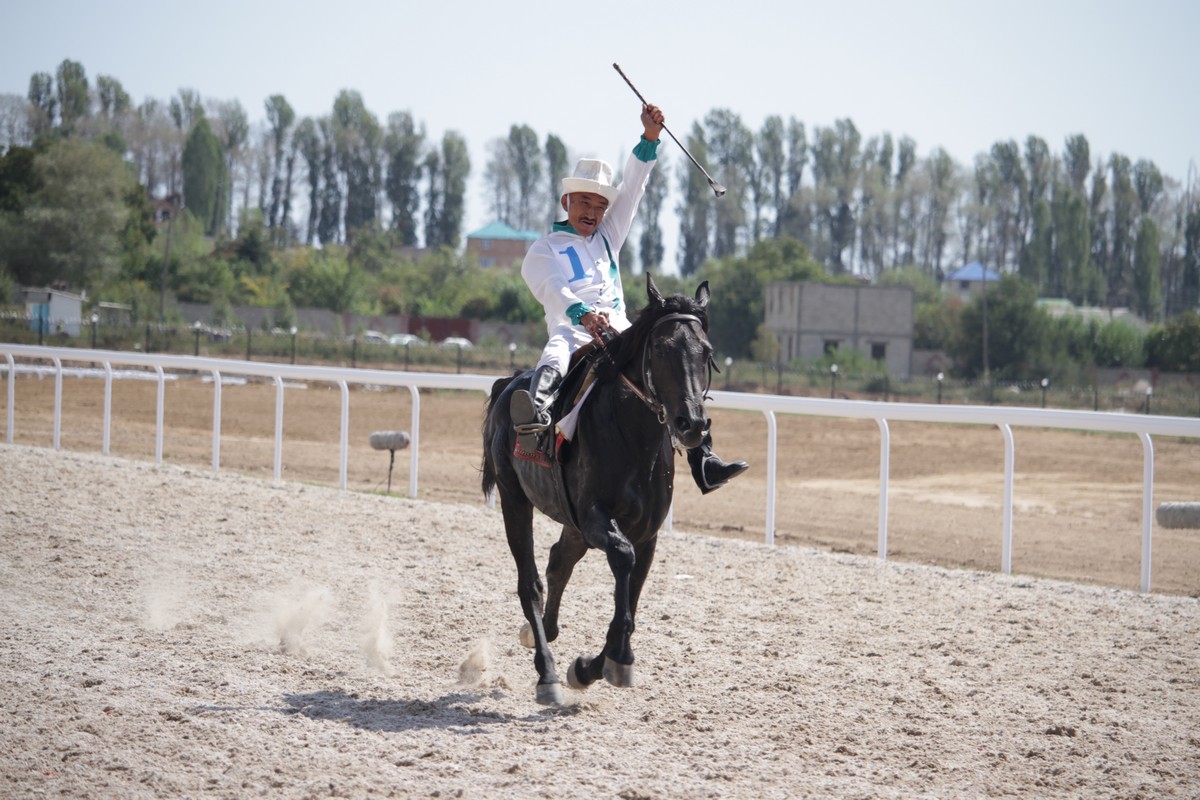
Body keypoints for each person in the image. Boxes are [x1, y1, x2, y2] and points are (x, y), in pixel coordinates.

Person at [510, 102, 747, 494]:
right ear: (567, 202)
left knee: (671, 358)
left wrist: (650, 137)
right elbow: (553, 287)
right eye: (585, 202)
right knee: (554, 354)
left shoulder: (608, 235)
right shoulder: (544, 249)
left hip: (621, 331)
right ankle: (534, 424)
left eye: (601, 205)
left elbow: (633, 187)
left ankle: (702, 457)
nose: (593, 211)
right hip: (572, 332)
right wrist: (583, 314)